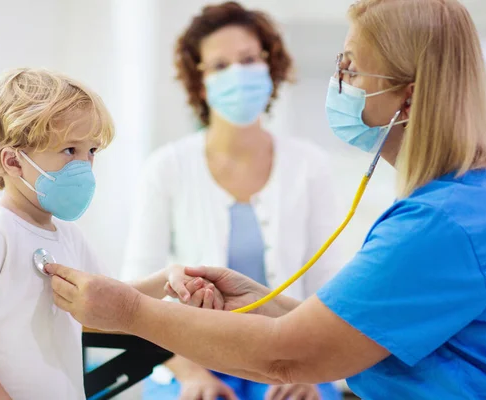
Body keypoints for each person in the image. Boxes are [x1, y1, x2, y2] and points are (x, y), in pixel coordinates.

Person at [46, 0, 486, 398]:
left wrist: (129, 312)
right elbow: (356, 322)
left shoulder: (438, 224)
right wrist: (261, 302)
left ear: (408, 100)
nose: (341, 83)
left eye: (351, 69)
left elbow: (287, 354)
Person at [0, 68, 205, 400]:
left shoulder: (69, 237)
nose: (85, 165)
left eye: (91, 151)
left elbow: (114, 303)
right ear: (13, 161)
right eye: (70, 151)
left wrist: (167, 279)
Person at [122, 2, 342, 399]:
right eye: (221, 66)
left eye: (248, 60)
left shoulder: (310, 165)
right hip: (185, 358)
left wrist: (305, 369)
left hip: (295, 358)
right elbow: (136, 295)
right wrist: (191, 375)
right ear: (200, 81)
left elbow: (328, 289)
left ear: (270, 66)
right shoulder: (167, 167)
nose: (238, 74)